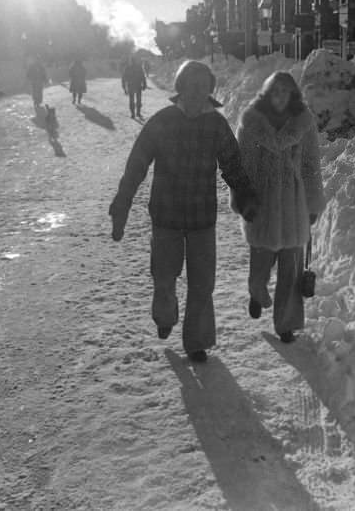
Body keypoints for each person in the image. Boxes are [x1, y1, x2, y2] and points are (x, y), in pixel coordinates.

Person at [108, 60, 258, 363]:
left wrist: (248, 197)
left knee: (202, 283)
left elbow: (233, 165)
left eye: (202, 86)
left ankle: (197, 342)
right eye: (191, 85)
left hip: (202, 218)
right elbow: (137, 164)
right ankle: (165, 316)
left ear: (209, 91)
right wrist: (122, 201)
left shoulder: (216, 124)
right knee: (164, 276)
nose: (196, 91)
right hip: (166, 217)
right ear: (180, 87)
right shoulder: (162, 121)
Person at [234, 71, 324, 344]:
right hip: (261, 206)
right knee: (260, 265)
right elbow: (242, 168)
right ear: (266, 93)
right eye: (275, 91)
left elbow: (310, 167)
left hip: (294, 206)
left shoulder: (303, 124)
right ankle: (256, 292)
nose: (279, 96)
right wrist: (243, 201)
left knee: (291, 270)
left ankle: (286, 324)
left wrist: (312, 203)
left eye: (285, 91)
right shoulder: (251, 124)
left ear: (293, 94)